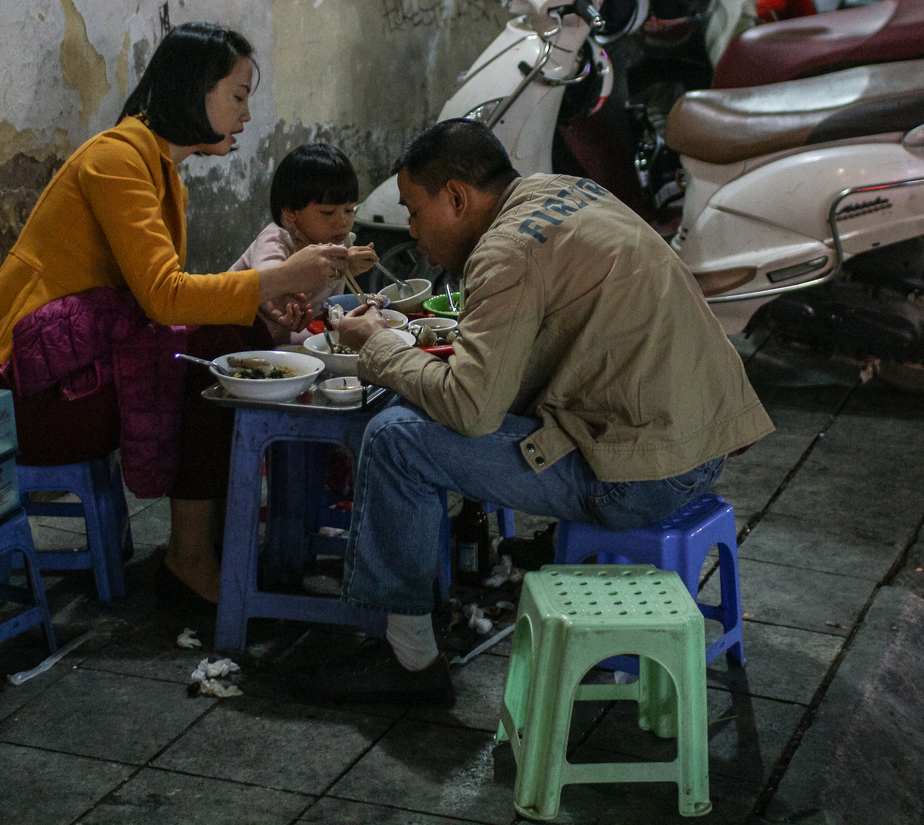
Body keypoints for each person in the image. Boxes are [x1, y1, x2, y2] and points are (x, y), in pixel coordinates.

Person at [308, 120, 775, 705]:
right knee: (418, 404)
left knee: (394, 437)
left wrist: (375, 345)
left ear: (456, 197)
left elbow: (472, 408)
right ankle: (443, 589)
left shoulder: (504, 252)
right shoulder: (569, 191)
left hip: (641, 478)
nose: (412, 229)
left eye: (414, 210)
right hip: (701, 440)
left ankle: (410, 663)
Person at [0, 23, 349, 606]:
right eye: (237, 96)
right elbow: (164, 297)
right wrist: (284, 276)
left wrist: (261, 297)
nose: (244, 117)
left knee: (227, 336)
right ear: (195, 91)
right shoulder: (116, 160)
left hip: (70, 367)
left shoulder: (159, 171)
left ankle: (210, 548)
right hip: (17, 389)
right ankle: (189, 558)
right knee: (213, 353)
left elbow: (161, 298)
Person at [230, 143, 380, 344]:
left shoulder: (337, 241)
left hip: (286, 341)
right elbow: (270, 283)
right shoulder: (276, 240)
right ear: (291, 211)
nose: (342, 221)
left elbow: (330, 308)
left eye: (349, 210)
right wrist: (341, 265)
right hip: (239, 339)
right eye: (328, 212)